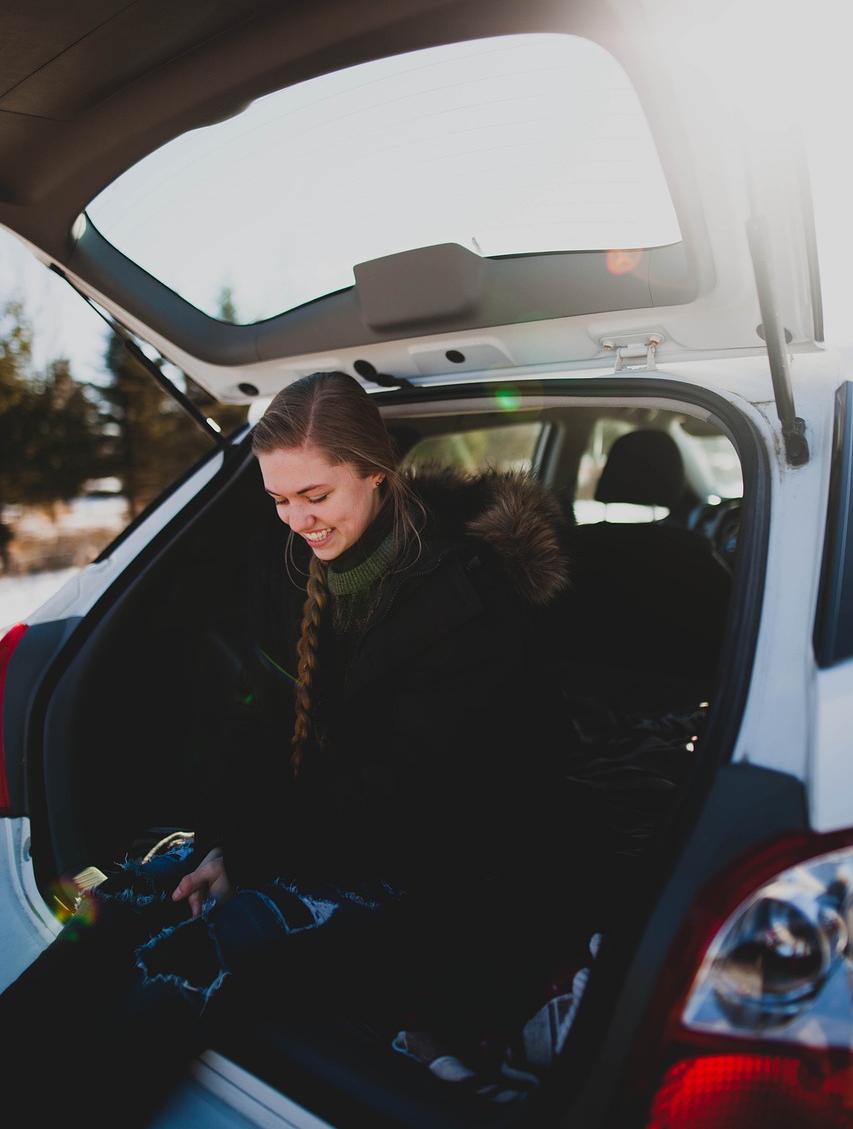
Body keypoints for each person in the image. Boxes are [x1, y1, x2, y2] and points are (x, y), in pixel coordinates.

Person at [0, 370, 572, 1125]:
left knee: (190, 957)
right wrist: (215, 845)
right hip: (307, 829)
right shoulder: (290, 567)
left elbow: (407, 787)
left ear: (375, 472)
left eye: (316, 496)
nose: (298, 520)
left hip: (427, 864)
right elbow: (258, 720)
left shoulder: (471, 603)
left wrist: (249, 860)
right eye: (278, 499)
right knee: (108, 905)